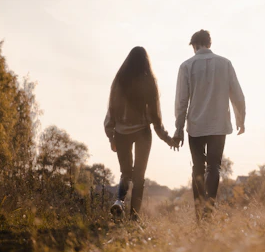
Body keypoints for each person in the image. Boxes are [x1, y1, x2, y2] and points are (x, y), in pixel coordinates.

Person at [172, 29, 246, 220]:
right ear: (209, 44)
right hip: (218, 124)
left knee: (197, 167)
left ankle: (199, 215)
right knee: (214, 167)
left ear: (194, 46)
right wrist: (241, 119)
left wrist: (178, 129)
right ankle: (208, 212)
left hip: (196, 126)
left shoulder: (186, 66)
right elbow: (237, 94)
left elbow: (181, 101)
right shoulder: (225, 63)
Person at [104, 46, 173, 221]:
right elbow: (155, 116)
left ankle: (119, 201)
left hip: (121, 133)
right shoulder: (149, 81)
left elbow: (111, 110)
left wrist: (111, 135)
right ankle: (134, 218)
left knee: (126, 172)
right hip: (142, 133)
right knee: (139, 177)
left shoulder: (119, 80)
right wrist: (167, 138)